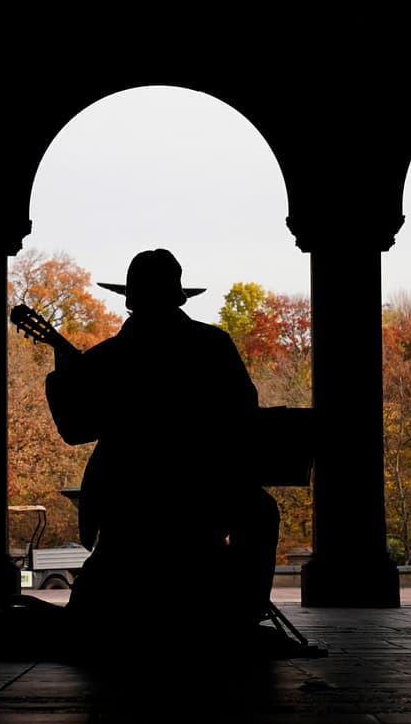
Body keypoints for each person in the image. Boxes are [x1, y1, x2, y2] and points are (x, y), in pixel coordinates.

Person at [44, 249, 281, 655]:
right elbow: (244, 414)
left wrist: (65, 376)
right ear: (178, 295)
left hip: (125, 494)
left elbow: (76, 429)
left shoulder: (107, 357)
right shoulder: (213, 345)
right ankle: (243, 612)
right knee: (261, 513)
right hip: (205, 491)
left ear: (130, 299)